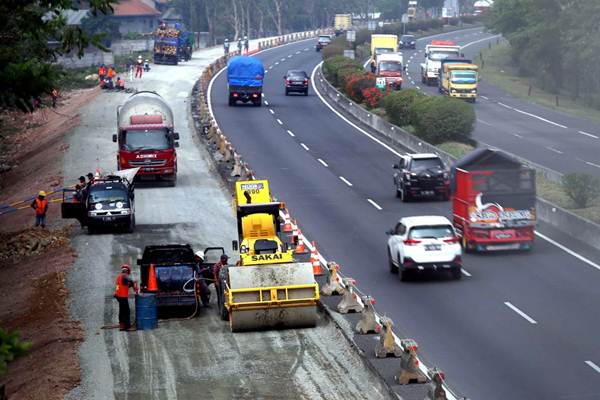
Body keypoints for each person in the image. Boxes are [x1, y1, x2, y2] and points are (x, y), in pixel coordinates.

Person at [114, 264, 138, 331]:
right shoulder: (125, 276)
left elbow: (124, 285)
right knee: (126, 311)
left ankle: (122, 325)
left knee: (121, 311)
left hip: (118, 296)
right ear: (127, 271)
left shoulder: (120, 277)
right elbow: (131, 280)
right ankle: (127, 326)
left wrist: (131, 284)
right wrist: (134, 282)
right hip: (122, 297)